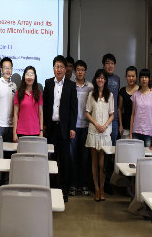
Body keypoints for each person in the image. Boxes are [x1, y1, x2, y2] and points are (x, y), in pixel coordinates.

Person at [43, 55, 78, 202]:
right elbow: (45, 106)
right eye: (56, 66)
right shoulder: (48, 83)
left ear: (66, 69)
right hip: (51, 127)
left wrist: (72, 127)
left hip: (64, 128)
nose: (59, 69)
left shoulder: (70, 85)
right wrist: (44, 124)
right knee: (50, 159)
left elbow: (73, 108)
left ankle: (63, 190)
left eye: (61, 67)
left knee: (64, 160)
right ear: (53, 68)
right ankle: (49, 188)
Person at [85, 69, 114, 202]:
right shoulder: (91, 94)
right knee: (94, 162)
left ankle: (102, 187)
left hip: (105, 132)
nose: (100, 80)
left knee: (103, 164)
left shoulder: (110, 95)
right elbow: (87, 113)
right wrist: (96, 124)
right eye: (98, 78)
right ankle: (96, 188)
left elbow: (112, 114)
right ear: (95, 79)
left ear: (105, 80)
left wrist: (105, 125)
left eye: (103, 78)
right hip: (94, 130)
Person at [69, 60, 93, 196]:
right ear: (74, 71)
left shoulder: (90, 87)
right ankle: (73, 184)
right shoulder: (71, 86)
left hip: (86, 126)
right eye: (77, 69)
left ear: (85, 71)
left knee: (84, 158)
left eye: (82, 69)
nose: (79, 72)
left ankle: (83, 184)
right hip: (73, 127)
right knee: (72, 157)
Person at [130, 69, 152, 147]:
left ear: (149, 79)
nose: (144, 79)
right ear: (139, 79)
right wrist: (130, 133)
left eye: (146, 77)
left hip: (148, 133)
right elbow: (132, 114)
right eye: (142, 77)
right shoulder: (135, 95)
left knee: (148, 157)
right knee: (135, 156)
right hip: (136, 131)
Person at [13, 66, 43, 141]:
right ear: (24, 77)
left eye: (32, 74)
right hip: (21, 131)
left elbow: (40, 113)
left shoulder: (38, 93)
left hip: (35, 131)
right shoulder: (18, 93)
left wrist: (41, 131)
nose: (29, 77)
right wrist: (14, 133)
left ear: (35, 77)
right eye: (27, 74)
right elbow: (15, 114)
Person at [102, 53, 120, 145]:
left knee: (113, 145)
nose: (110, 66)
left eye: (112, 63)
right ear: (103, 65)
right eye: (107, 63)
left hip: (114, 118)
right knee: (102, 146)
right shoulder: (99, 78)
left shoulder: (117, 79)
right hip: (102, 118)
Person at [118, 66, 139, 139]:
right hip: (125, 125)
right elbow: (120, 109)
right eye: (129, 76)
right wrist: (120, 125)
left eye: (133, 76)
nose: (131, 78)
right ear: (126, 77)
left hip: (138, 126)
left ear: (136, 77)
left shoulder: (141, 90)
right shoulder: (122, 90)